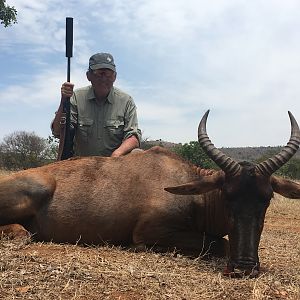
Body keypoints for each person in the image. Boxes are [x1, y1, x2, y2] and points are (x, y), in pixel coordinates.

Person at [52, 52, 142, 157]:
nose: (104, 79)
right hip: (81, 167)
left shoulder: (126, 101)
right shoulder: (75, 97)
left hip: (114, 166)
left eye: (108, 74)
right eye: (99, 73)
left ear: (115, 77)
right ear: (88, 76)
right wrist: (63, 100)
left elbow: (133, 137)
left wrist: (117, 154)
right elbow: (58, 131)